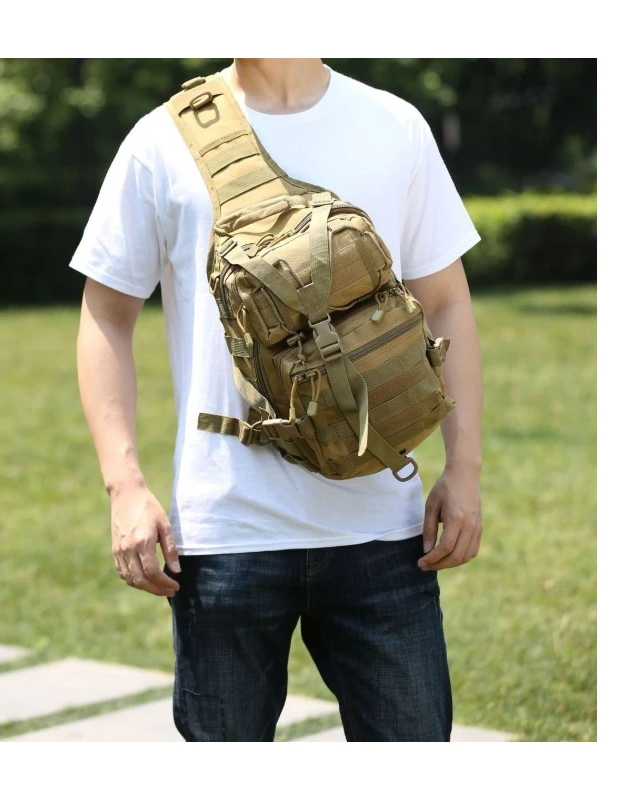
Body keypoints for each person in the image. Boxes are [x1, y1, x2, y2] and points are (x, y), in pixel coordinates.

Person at [72, 58, 483, 742]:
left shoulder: (394, 125)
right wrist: (125, 486)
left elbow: (445, 302)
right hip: (227, 530)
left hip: (380, 525)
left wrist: (463, 471)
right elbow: (105, 316)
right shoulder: (162, 139)